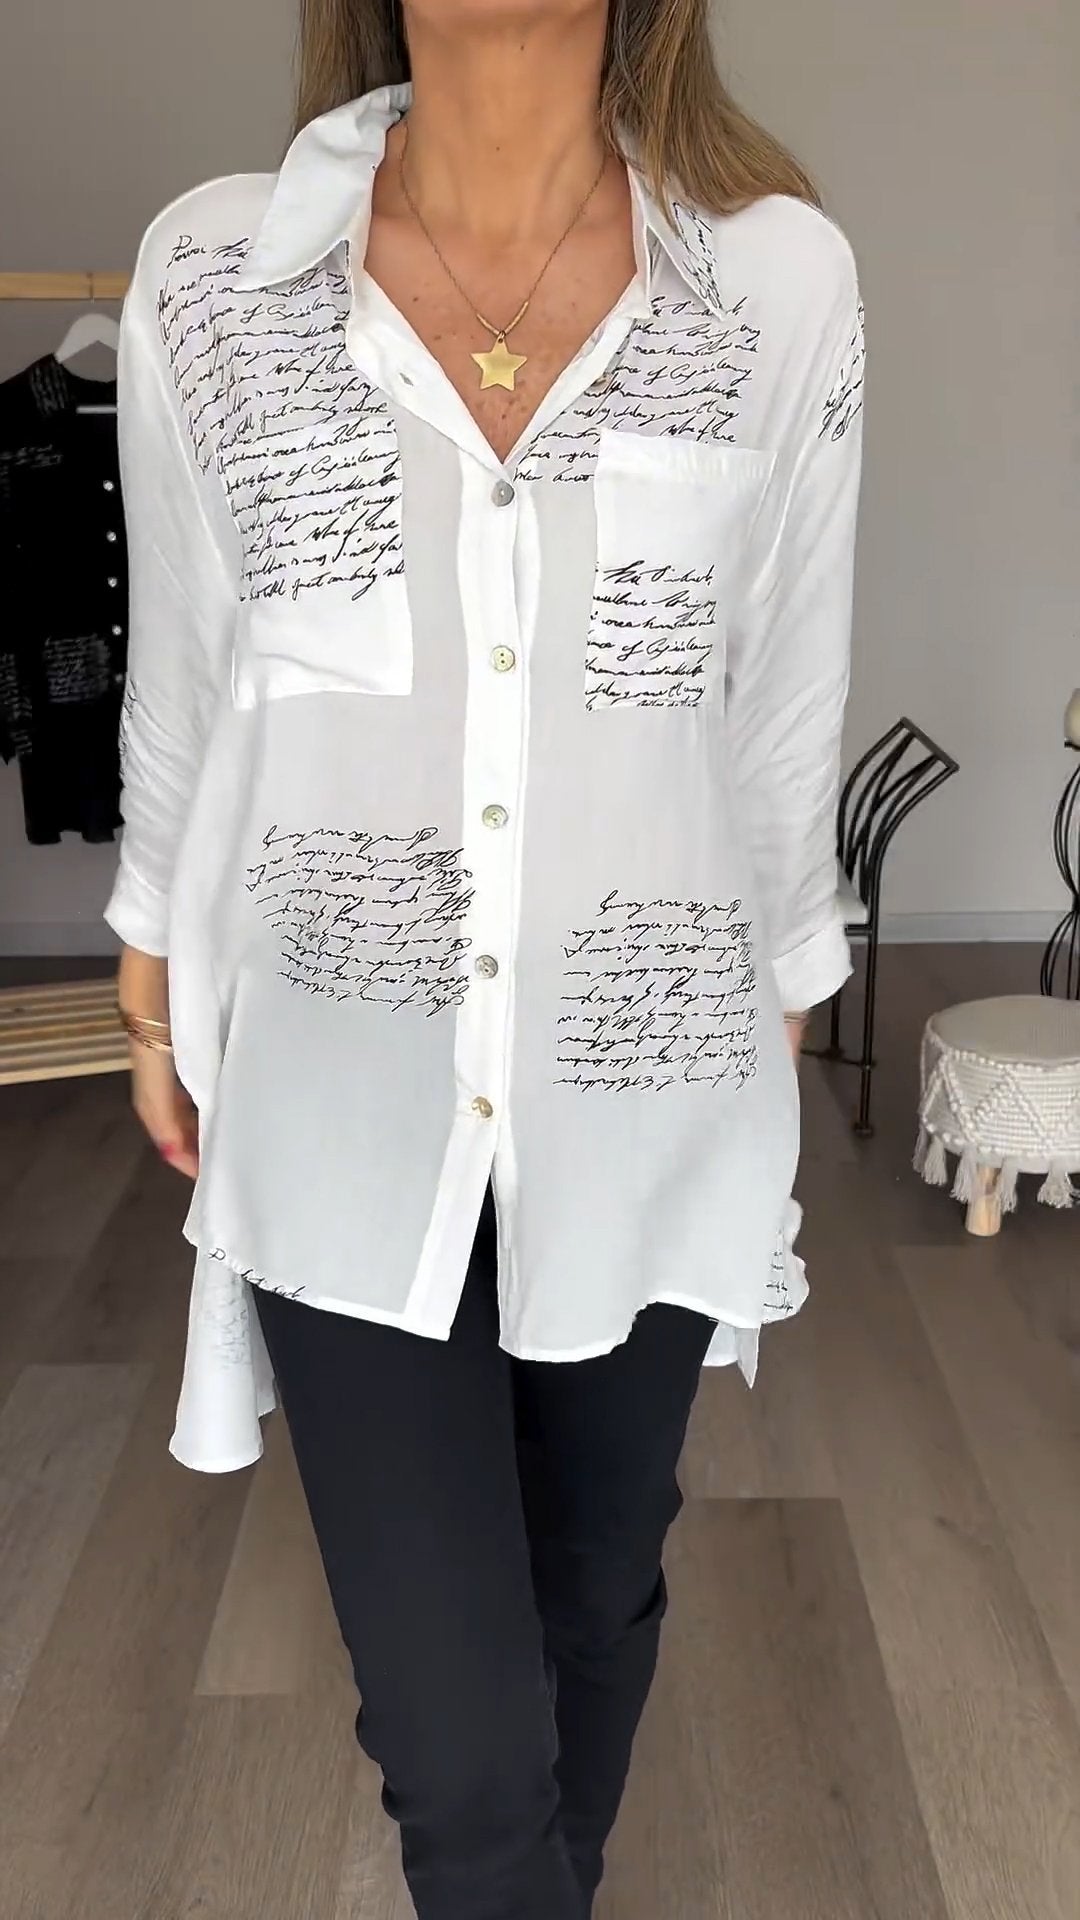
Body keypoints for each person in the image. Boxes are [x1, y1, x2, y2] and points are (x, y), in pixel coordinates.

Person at [111, 1, 864, 1913]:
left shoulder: (775, 285)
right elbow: (185, 674)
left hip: (646, 1080)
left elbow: (782, 699)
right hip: (339, 1090)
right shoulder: (218, 276)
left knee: (591, 1599)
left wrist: (781, 999)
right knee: (456, 1747)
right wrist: (147, 959)